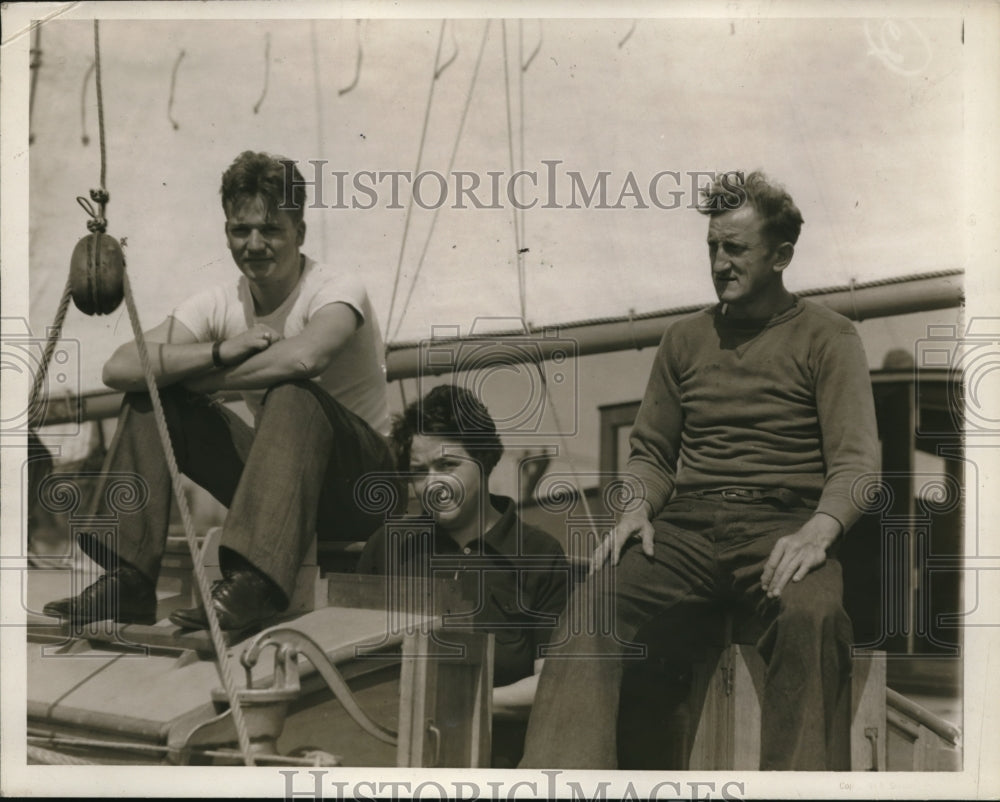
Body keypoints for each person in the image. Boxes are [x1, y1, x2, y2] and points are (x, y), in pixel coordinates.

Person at [519, 171, 880, 771]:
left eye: (734, 248)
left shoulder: (830, 338)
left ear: (782, 255)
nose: (718, 262)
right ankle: (559, 780)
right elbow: (652, 454)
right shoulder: (683, 340)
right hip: (684, 529)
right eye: (712, 246)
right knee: (591, 606)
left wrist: (820, 530)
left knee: (812, 616)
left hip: (781, 527)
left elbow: (858, 464)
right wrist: (635, 507)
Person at [44, 151, 394, 633]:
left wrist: (201, 376)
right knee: (154, 396)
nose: (254, 244)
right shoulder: (219, 303)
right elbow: (121, 366)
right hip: (284, 485)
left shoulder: (335, 288)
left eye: (270, 230)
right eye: (239, 230)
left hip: (361, 488)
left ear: (299, 233)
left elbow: (303, 358)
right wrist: (219, 350)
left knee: (290, 392)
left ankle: (255, 583)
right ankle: (129, 578)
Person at [356, 384, 570, 767]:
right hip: (388, 757)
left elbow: (549, 686)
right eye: (419, 473)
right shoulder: (387, 546)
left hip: (497, 767)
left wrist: (452, 702)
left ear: (484, 461)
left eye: (448, 465)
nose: (433, 484)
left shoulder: (540, 555)